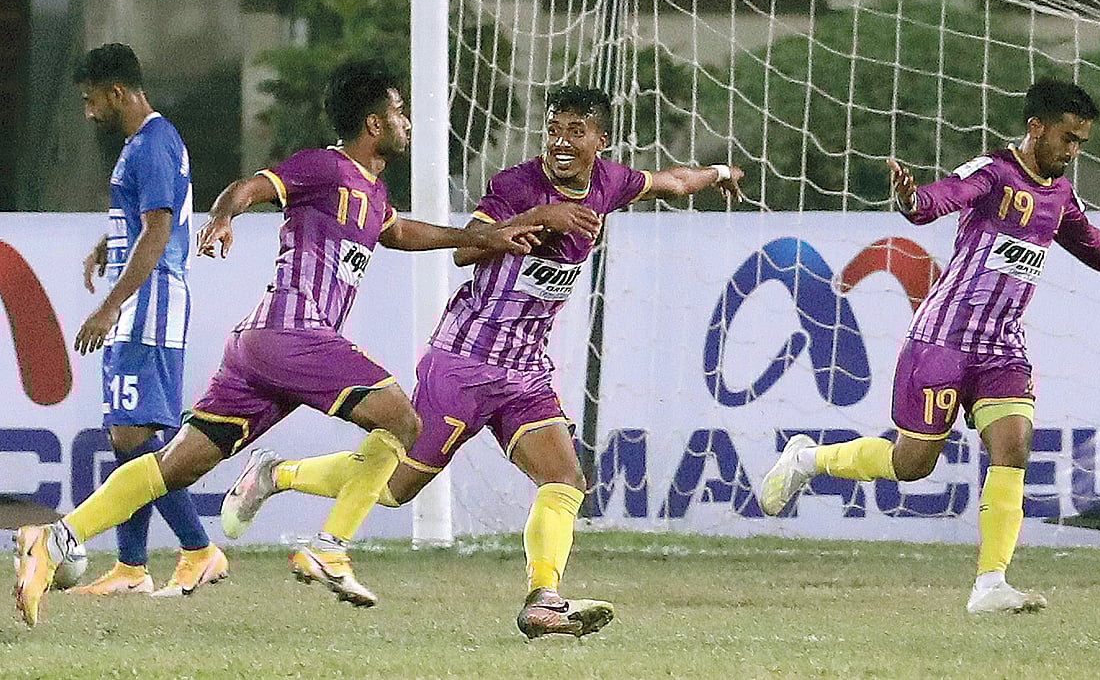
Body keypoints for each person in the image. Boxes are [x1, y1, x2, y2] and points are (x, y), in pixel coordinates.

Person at [13, 58, 539, 627]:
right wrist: (223, 216)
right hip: (294, 333)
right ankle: (331, 546)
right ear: (373, 124)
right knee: (404, 423)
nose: (406, 120)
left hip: (260, 348)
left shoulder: (371, 191)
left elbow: (402, 231)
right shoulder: (324, 167)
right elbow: (251, 187)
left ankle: (56, 538)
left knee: (174, 467)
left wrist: (481, 238)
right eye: (398, 110)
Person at [219, 85, 744, 638]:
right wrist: (542, 217)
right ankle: (277, 474)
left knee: (564, 477)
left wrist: (719, 174)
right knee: (397, 489)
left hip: (524, 370)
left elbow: (672, 181)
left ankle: (544, 599)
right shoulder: (516, 186)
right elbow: (468, 249)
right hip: (463, 361)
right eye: (553, 130)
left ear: (599, 140)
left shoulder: (609, 182)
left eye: (575, 132)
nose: (561, 143)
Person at [759, 78, 1100, 614]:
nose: (1072, 152)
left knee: (1014, 443)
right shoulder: (994, 172)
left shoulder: (1060, 195)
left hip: (1002, 345)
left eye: (1081, 144)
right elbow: (940, 199)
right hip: (943, 340)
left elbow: (1090, 245)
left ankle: (990, 584)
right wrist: (911, 198)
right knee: (913, 464)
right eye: (1067, 139)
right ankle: (808, 460)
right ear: (1036, 128)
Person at [68, 43, 226, 598]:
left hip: (148, 306)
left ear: (118, 92)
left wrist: (110, 303)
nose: (89, 112)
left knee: (133, 438)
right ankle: (133, 568)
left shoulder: (152, 145)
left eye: (92, 101)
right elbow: (147, 219)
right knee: (127, 437)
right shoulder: (147, 143)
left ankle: (197, 548)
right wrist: (105, 244)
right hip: (144, 301)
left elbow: (159, 232)